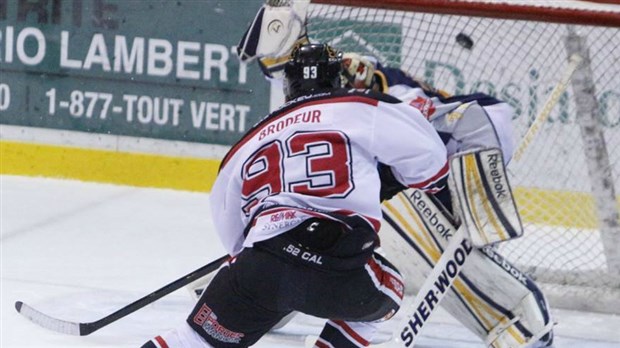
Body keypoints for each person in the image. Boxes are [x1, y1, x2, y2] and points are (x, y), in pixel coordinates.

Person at [230, 2, 555, 347]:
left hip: (436, 195)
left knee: (386, 207)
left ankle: (514, 320)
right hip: (392, 192)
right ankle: (262, 292)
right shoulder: (343, 108)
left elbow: (480, 123)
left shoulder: (392, 103)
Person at [141, 42, 450, 348]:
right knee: (388, 290)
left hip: (261, 263)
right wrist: (398, 178)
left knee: (190, 339)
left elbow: (232, 237)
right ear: (335, 79)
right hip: (336, 265)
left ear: (288, 86)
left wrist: (272, 272)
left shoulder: (244, 144)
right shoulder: (361, 105)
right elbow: (432, 163)